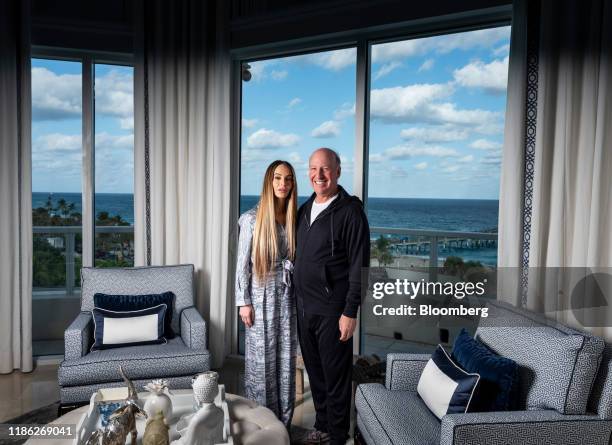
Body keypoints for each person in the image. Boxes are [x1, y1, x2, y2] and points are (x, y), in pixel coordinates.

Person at [294, 148, 370, 445]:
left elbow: (359, 266)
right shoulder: (305, 209)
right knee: (316, 374)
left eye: (325, 169)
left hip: (333, 310)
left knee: (336, 377)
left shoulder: (351, 213)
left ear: (338, 171)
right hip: (304, 309)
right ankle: (323, 425)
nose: (319, 175)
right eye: (314, 169)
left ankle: (338, 436)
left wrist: (350, 311)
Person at [235, 160, 298, 428]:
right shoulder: (251, 219)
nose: (283, 184)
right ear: (268, 182)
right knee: (261, 364)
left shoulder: (295, 219)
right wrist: (243, 303)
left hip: (288, 298)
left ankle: (283, 424)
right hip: (259, 298)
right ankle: (261, 423)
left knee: (285, 362)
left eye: (288, 179)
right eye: (277, 178)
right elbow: (241, 266)